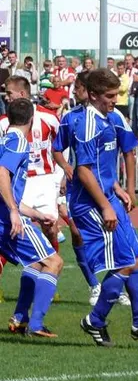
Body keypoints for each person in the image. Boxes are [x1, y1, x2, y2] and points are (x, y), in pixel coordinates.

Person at [68, 68, 138, 346]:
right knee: (127, 261)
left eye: (118, 94)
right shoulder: (86, 123)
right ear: (93, 95)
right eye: (110, 95)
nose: (116, 100)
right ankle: (95, 320)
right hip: (89, 203)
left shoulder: (113, 117)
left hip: (108, 196)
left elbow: (128, 150)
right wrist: (106, 206)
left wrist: (126, 188)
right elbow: (84, 172)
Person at [52, 71, 131, 306]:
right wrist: (67, 167)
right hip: (79, 189)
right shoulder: (70, 118)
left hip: (103, 190)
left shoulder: (111, 117)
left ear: (89, 91)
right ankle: (94, 286)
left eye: (78, 88)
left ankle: (118, 288)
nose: (75, 92)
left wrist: (118, 186)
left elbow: (106, 159)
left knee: (120, 243)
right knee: (76, 233)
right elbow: (58, 149)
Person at [1, 98, 64, 337]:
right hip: (7, 219)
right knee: (54, 263)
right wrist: (14, 212)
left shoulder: (4, 140)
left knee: (36, 263)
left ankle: (20, 318)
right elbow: (2, 174)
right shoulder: (18, 142)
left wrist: (36, 214)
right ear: (31, 119)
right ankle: (36, 324)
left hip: (4, 216)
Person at [1, 76, 62, 255]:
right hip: (20, 182)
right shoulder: (4, 122)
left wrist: (62, 172)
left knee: (50, 228)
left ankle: (51, 265)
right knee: (16, 229)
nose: (6, 97)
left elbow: (60, 146)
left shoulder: (48, 117)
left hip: (45, 179)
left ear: (21, 93)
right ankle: (47, 267)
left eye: (9, 93)